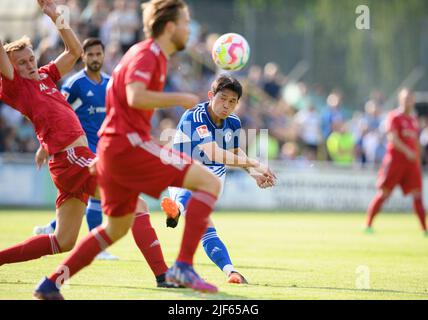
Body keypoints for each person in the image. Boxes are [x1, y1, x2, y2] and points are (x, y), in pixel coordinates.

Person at [31, 0, 268, 300]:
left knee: (114, 229)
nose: (189, 29)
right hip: (128, 146)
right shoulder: (149, 55)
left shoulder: (150, 55)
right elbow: (135, 95)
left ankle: (51, 284)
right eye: (185, 22)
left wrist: (252, 166)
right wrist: (180, 97)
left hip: (114, 148)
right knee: (207, 181)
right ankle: (183, 265)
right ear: (170, 27)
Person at [161, 75, 277, 284]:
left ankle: (177, 210)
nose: (227, 105)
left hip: (214, 176)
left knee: (202, 223)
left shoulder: (233, 122)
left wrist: (253, 174)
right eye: (222, 98)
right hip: (181, 172)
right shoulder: (194, 116)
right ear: (210, 96)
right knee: (204, 223)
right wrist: (256, 163)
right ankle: (230, 270)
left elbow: (233, 151)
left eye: (232, 101)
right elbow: (213, 152)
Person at [32, 38, 118, 261]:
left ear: (104, 55)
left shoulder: (110, 83)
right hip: (81, 148)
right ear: (83, 57)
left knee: (83, 199)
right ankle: (98, 248)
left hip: (105, 147)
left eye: (99, 54)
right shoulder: (74, 84)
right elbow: (56, 112)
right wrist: (45, 145)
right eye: (91, 55)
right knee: (98, 196)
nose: (95, 58)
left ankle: (50, 228)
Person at [365, 88, 427, 235]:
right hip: (395, 162)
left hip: (411, 164)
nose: (408, 101)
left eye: (410, 99)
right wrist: (408, 152)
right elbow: (392, 138)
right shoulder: (394, 116)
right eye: (405, 99)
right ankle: (368, 224)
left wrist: (418, 158)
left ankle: (424, 229)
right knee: (384, 193)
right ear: (400, 100)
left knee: (418, 195)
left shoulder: (413, 120)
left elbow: (416, 141)